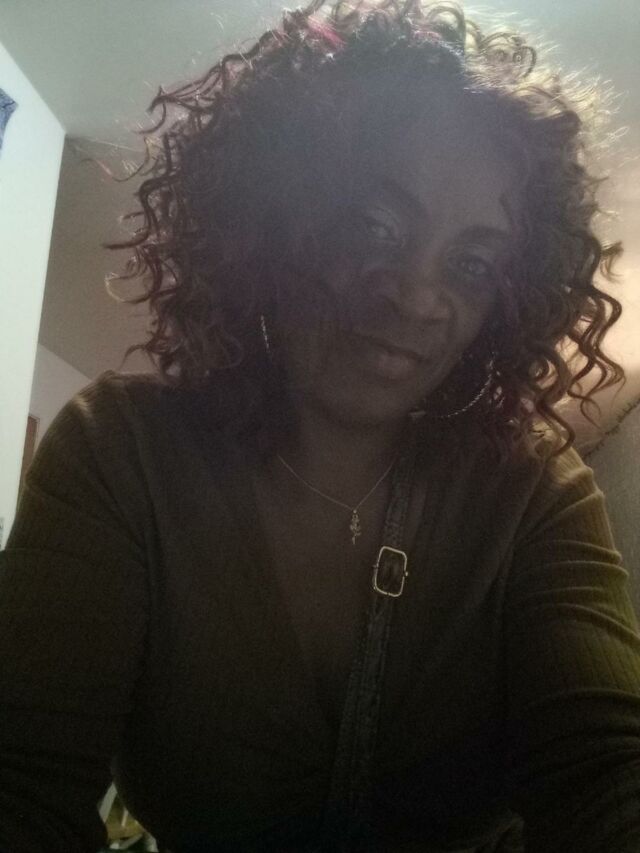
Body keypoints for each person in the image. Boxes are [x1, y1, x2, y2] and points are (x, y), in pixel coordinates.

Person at [1, 1, 639, 850]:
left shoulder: (534, 492)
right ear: (271, 219)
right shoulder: (121, 454)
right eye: (375, 226)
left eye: (472, 264)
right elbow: (22, 781)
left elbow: (607, 767)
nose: (416, 296)